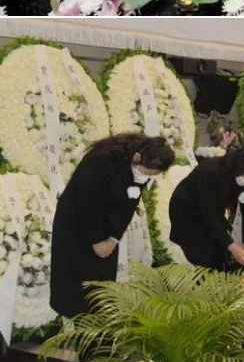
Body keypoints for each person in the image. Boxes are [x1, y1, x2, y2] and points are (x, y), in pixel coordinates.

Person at [50, 133, 175, 318]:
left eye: (153, 175)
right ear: (138, 157)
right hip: (77, 221)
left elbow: (129, 204)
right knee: (75, 282)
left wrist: (113, 239)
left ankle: (97, 323)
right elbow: (88, 203)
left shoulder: (144, 165)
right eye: (147, 173)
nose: (147, 177)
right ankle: (77, 322)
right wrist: (97, 240)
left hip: (108, 225)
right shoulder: (101, 159)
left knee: (101, 281)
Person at [169, 141, 244, 270]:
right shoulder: (210, 170)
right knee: (204, 255)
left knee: (222, 252)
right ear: (238, 166)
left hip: (213, 211)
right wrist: (232, 246)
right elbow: (208, 213)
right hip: (187, 211)